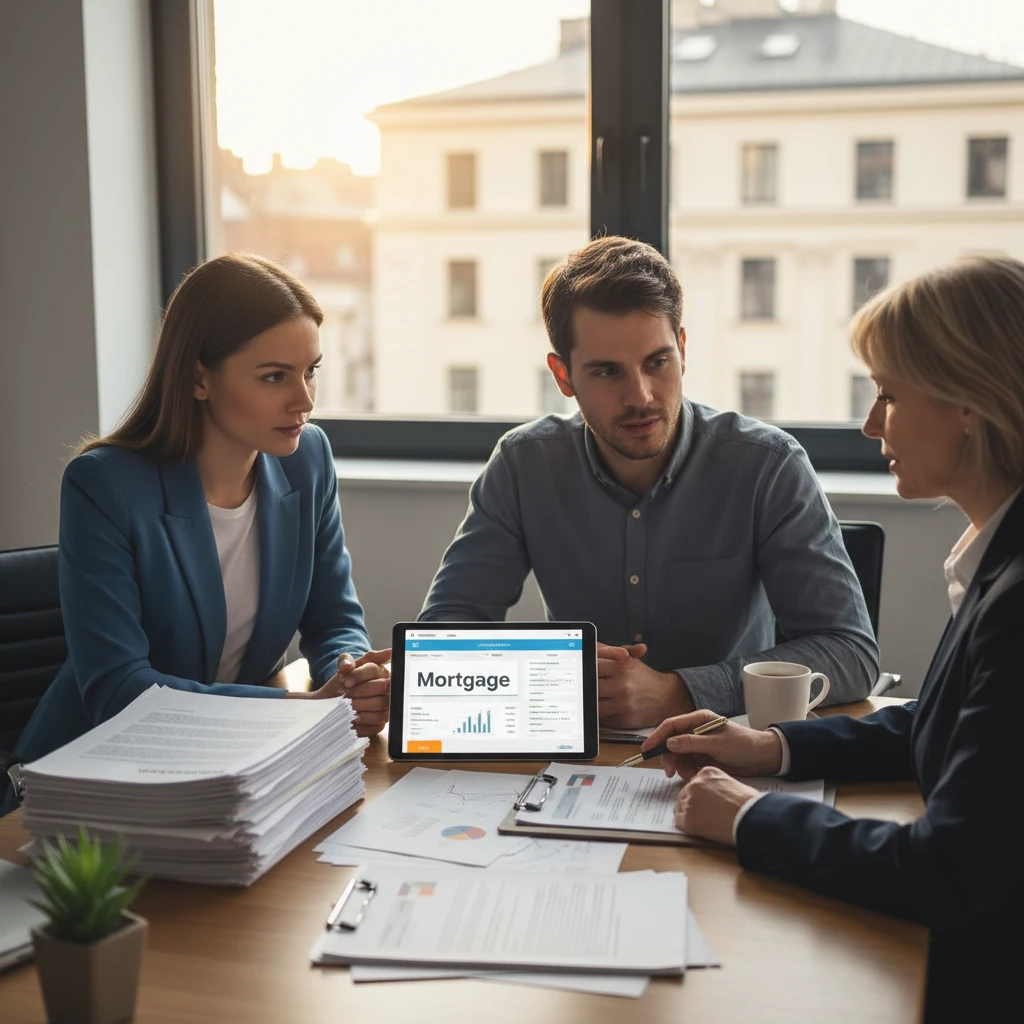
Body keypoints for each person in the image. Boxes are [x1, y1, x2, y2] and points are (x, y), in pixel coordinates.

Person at [643, 255, 1024, 1018]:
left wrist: (749, 816)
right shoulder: (999, 561)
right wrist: (771, 745)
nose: (871, 422)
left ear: (969, 404)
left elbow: (945, 870)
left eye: (888, 393)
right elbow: (957, 725)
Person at [420, 236, 877, 727]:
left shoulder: (768, 464)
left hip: (730, 754)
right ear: (563, 375)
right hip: (578, 762)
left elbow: (850, 653)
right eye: (606, 372)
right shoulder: (523, 464)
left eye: (657, 362)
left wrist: (679, 692)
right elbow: (445, 637)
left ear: (682, 349)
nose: (639, 396)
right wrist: (553, 676)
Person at [4, 254, 389, 807]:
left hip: (231, 766)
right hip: (93, 774)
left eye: (311, 372)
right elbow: (118, 687)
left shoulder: (309, 460)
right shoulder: (104, 486)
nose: (304, 401)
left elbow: (334, 618)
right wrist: (293, 711)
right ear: (198, 377)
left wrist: (351, 678)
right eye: (275, 376)